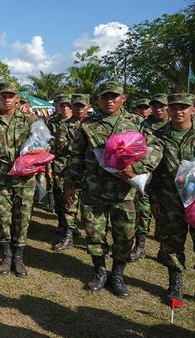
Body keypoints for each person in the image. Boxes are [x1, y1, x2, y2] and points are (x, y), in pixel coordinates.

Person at [64, 81, 161, 298]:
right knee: (94, 233)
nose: (109, 100)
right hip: (94, 190)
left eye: (114, 96)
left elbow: (155, 148)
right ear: (98, 100)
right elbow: (77, 156)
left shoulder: (137, 122)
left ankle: (117, 275)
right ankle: (99, 271)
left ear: (123, 98)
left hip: (124, 192)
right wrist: (70, 184)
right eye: (105, 97)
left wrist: (136, 168)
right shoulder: (88, 125)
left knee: (124, 236)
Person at [0, 82, 38, 278]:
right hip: (0, 177)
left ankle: (19, 257)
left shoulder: (30, 121)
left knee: (22, 217)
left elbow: (42, 145)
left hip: (25, 178)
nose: (7, 99)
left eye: (11, 95)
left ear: (17, 97)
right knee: (4, 218)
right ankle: (6, 255)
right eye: (3, 95)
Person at [150, 93, 195, 304]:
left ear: (192, 110)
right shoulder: (158, 136)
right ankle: (175, 286)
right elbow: (154, 173)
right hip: (169, 200)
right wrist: (154, 199)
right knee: (171, 245)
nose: (179, 111)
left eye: (184, 107)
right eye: (174, 107)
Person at [131, 94, 169, 262]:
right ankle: (140, 246)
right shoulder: (144, 124)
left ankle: (164, 247)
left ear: (168, 107)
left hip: (168, 177)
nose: (158, 109)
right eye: (154, 106)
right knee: (143, 210)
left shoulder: (173, 123)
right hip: (147, 174)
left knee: (166, 213)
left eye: (161, 106)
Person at [52, 94, 90, 251]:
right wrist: (81, 146)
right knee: (69, 203)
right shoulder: (64, 125)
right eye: (76, 106)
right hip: (69, 168)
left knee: (90, 207)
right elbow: (60, 146)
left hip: (91, 171)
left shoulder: (94, 124)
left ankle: (93, 239)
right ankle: (68, 235)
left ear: (88, 107)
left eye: (82, 106)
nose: (78, 109)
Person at [46, 94, 73, 235]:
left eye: (68, 105)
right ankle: (62, 222)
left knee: (73, 197)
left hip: (75, 164)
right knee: (58, 194)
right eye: (62, 105)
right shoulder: (52, 122)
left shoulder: (80, 121)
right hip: (58, 163)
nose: (66, 108)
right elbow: (48, 144)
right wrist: (48, 165)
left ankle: (71, 225)